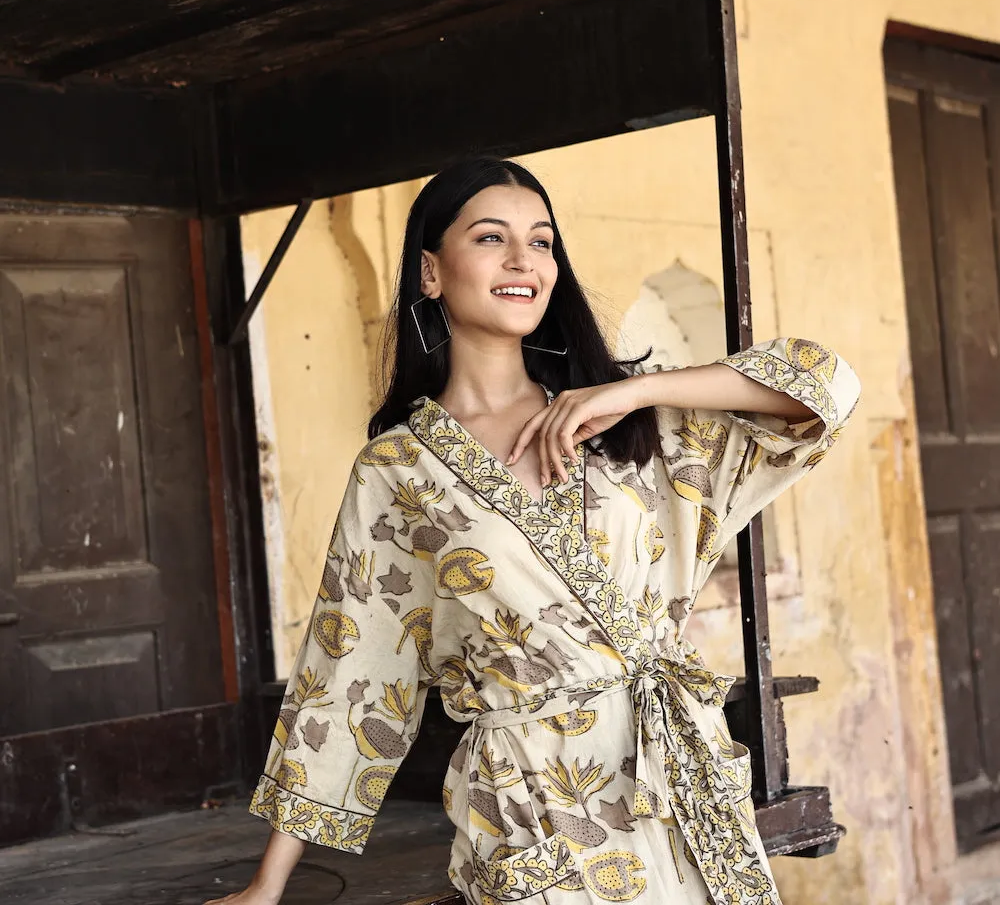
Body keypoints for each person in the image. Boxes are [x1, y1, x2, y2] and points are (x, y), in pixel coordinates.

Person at [206, 157, 860, 905]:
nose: (524, 260)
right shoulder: (399, 471)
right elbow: (349, 672)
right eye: (491, 238)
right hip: (532, 805)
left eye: (542, 242)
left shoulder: (630, 428)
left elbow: (826, 386)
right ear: (430, 271)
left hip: (680, 785)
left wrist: (632, 387)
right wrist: (267, 884)